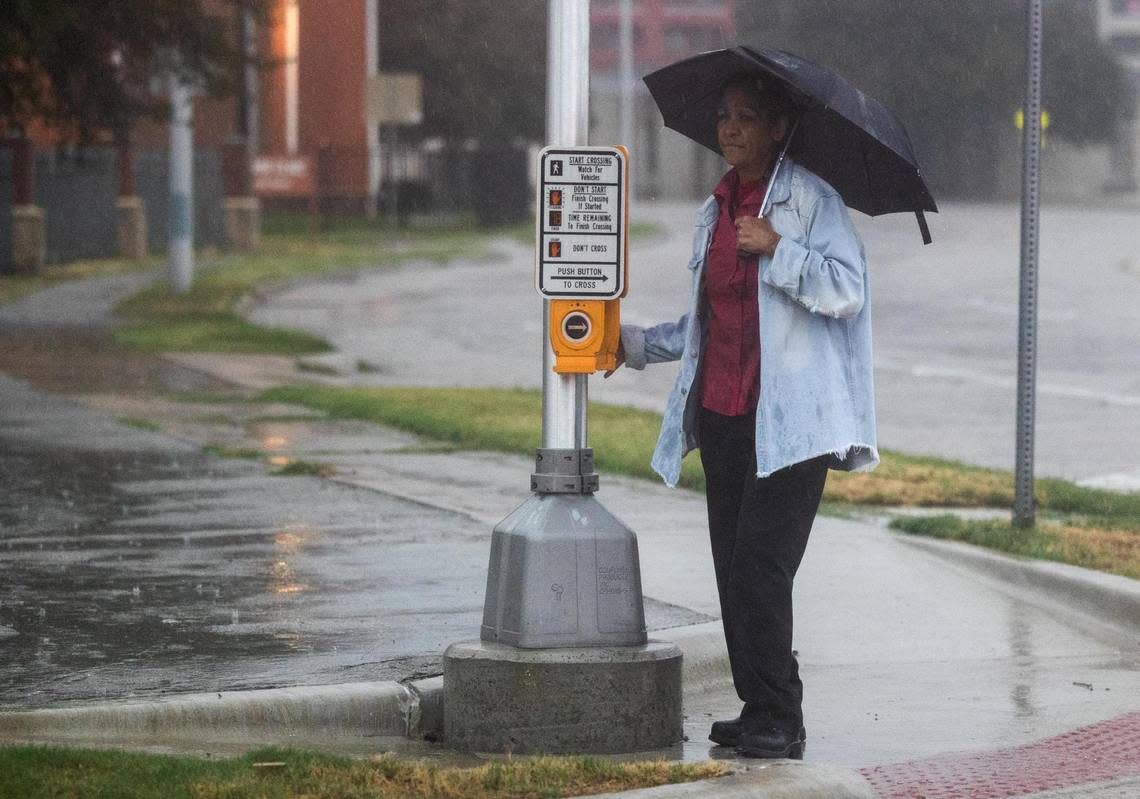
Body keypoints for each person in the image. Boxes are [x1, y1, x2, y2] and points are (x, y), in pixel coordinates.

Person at [606, 75, 878, 759]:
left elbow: (847, 290)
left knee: (761, 563)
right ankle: (758, 706)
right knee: (733, 566)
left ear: (777, 127)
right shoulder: (716, 208)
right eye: (724, 116)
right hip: (725, 414)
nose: (730, 129)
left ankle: (781, 715)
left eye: (747, 118)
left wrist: (779, 249)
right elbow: (706, 318)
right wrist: (635, 344)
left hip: (794, 423)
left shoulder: (812, 201)